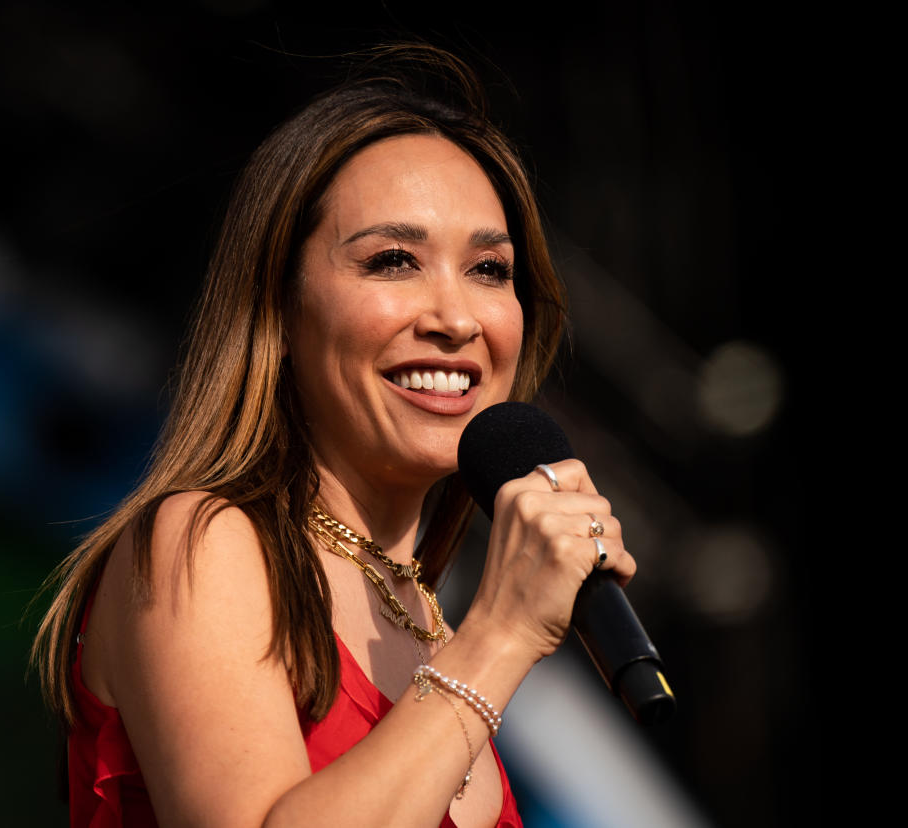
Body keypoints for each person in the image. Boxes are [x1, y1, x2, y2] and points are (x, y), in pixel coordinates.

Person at [32, 44, 635, 828]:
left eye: (489, 270)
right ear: (280, 310)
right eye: (393, 261)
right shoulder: (203, 541)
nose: (455, 318)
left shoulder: (427, 616)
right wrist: (503, 635)